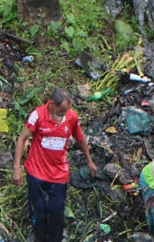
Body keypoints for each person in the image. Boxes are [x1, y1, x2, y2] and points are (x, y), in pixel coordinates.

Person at [12, 90, 98, 242]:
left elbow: (80, 139)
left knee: (56, 210)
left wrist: (89, 161)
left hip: (59, 173)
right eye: (61, 111)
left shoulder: (71, 118)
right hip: (36, 172)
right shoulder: (38, 115)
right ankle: (40, 237)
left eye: (66, 111)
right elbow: (22, 138)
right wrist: (17, 169)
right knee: (39, 209)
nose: (64, 114)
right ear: (52, 104)